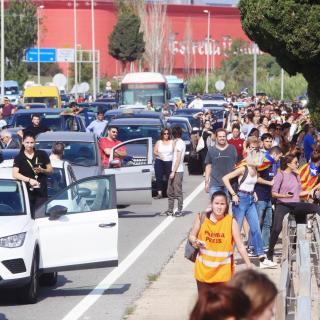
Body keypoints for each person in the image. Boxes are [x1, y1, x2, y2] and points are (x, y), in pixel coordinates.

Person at [222, 143, 277, 268]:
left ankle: (262, 258)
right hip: (240, 200)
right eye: (259, 159)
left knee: (256, 228)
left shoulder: (255, 169)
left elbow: (255, 180)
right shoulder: (243, 168)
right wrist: (233, 194)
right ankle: (226, 257)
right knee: (236, 230)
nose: (261, 162)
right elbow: (225, 178)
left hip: (251, 199)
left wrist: (255, 192)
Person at [189, 191, 252, 293]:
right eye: (216, 203)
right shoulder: (202, 217)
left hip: (223, 275)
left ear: (226, 205)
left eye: (222, 204)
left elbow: (240, 245)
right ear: (211, 204)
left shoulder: (231, 222)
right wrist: (196, 241)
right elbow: (191, 236)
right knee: (205, 306)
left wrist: (248, 265)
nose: (219, 207)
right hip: (203, 274)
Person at [267, 154, 320, 261]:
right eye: (295, 162)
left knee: (315, 209)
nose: (297, 164)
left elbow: (299, 193)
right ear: (288, 164)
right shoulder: (280, 175)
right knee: (277, 228)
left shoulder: (297, 176)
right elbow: (273, 194)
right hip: (283, 204)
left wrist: (310, 191)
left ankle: (295, 248)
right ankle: (270, 252)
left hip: (296, 204)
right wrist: (284, 196)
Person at [12, 132, 53, 214]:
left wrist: (42, 170)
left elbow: (50, 170)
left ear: (35, 143)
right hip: (26, 193)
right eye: (27, 142)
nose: (29, 145)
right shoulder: (19, 158)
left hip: (41, 193)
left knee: (40, 216)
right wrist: (29, 180)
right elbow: (15, 174)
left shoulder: (42, 154)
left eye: (31, 142)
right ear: (23, 142)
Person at [253, 146, 283, 252]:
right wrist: (269, 183)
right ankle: (252, 247)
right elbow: (256, 178)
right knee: (257, 222)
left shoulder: (272, 164)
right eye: (279, 157)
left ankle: (265, 246)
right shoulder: (264, 162)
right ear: (274, 154)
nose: (279, 160)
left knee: (268, 223)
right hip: (260, 196)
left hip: (268, 197)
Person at [205, 128, 237, 199]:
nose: (222, 138)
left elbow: (236, 165)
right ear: (216, 137)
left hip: (229, 184)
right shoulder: (211, 150)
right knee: (215, 207)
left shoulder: (232, 148)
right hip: (215, 184)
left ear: (226, 137)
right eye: (220, 136)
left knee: (226, 207)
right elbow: (208, 166)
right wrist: (206, 182)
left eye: (224, 136)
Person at [162, 126, 186, 217]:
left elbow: (178, 159)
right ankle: (170, 210)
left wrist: (173, 171)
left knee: (178, 192)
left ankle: (179, 210)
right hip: (174, 169)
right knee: (170, 191)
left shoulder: (180, 143)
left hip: (178, 170)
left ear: (174, 134)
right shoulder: (176, 142)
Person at [153, 128, 174, 199]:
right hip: (159, 161)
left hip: (169, 161)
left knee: (169, 177)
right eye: (164, 133)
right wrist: (159, 154)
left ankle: (169, 192)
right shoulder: (159, 142)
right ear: (162, 134)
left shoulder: (172, 142)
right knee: (159, 177)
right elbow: (155, 151)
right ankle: (159, 193)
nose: (166, 135)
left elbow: (175, 152)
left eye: (167, 133)